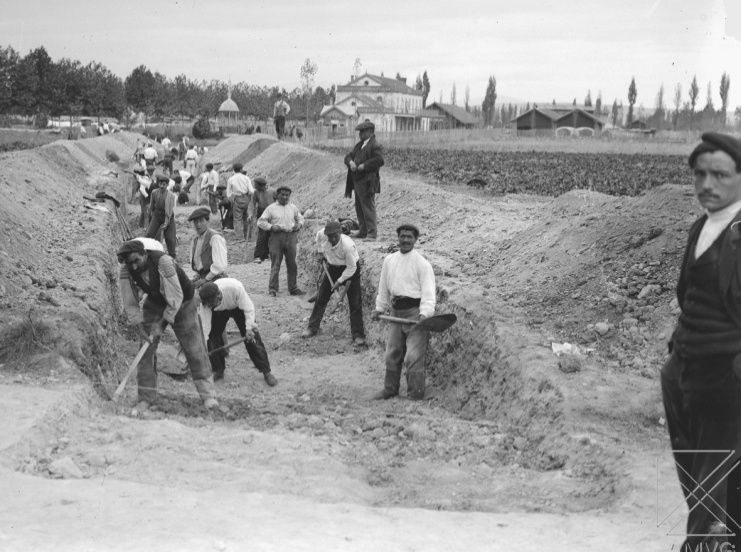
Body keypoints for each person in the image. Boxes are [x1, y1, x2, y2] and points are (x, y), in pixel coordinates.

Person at [661, 133, 741, 550]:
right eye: (699, 174)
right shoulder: (703, 227)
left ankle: (702, 544)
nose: (707, 184)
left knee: (712, 474)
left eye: (720, 175)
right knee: (699, 471)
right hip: (686, 368)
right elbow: (684, 293)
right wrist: (676, 358)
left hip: (725, 374)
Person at [117, 240, 219, 411]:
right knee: (145, 351)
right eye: (130, 263)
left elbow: (175, 298)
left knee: (195, 350)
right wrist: (142, 329)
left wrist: (160, 325)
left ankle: (208, 396)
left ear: (144, 254)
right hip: (156, 302)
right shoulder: (126, 271)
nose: (134, 266)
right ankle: (145, 397)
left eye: (137, 261)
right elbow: (131, 304)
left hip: (184, 302)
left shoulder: (163, 262)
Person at [371, 224, 435, 400]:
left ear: (415, 239)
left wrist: (425, 314)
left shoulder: (423, 264)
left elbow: (429, 293)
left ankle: (415, 394)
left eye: (409, 237)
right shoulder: (389, 261)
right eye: (402, 236)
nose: (405, 240)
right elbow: (383, 288)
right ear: (397, 238)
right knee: (392, 352)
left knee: (413, 356)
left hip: (415, 313)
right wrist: (379, 308)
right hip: (395, 313)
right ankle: (390, 389)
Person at [198, 280, 277, 386]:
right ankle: (218, 370)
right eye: (208, 305)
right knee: (213, 336)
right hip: (219, 312)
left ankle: (266, 371)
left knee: (253, 339)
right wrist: (205, 345)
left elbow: (249, 308)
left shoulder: (234, 289)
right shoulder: (206, 303)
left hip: (238, 307)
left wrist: (249, 329)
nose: (209, 306)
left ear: (218, 296)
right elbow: (206, 325)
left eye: (212, 304)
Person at [302, 220, 366, 345]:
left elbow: (351, 268)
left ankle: (358, 334)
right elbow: (318, 238)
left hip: (350, 270)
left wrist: (339, 281)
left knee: (355, 303)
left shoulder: (348, 246)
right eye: (330, 236)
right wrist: (320, 253)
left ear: (340, 233)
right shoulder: (323, 234)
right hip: (332, 267)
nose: (332, 238)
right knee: (321, 298)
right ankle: (312, 328)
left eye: (335, 236)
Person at [257, 186, 304, 297]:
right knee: (276, 263)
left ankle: (293, 288)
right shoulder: (271, 208)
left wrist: (299, 225)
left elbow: (301, 218)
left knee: (292, 263)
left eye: (287, 195)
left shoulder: (293, 207)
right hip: (277, 237)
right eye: (282, 194)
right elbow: (260, 221)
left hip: (291, 236)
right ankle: (273, 289)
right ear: (277, 195)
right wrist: (271, 227)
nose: (284, 197)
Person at [344, 120, 384, 241]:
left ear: (371, 132)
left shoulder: (374, 145)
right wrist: (350, 162)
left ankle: (372, 233)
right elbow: (348, 156)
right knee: (359, 207)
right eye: (360, 131)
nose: (360, 134)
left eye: (363, 131)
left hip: (368, 180)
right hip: (357, 180)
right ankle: (363, 230)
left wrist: (364, 166)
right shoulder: (360, 145)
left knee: (368, 207)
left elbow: (379, 160)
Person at [188, 207, 228, 290]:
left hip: (217, 279)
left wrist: (205, 280)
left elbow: (219, 266)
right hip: (203, 278)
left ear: (208, 222)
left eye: (201, 221)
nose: (198, 224)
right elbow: (199, 264)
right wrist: (197, 276)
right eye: (196, 221)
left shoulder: (215, 238)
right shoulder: (195, 240)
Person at [146, 174, 177, 258]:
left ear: (167, 185)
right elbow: (152, 206)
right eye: (160, 184)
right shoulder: (154, 192)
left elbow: (169, 212)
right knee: (149, 234)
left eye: (164, 184)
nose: (162, 186)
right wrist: (151, 216)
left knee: (170, 238)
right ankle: (147, 253)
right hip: (157, 215)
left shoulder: (171, 196)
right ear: (158, 184)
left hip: (168, 217)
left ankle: (172, 256)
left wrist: (166, 223)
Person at [226, 163, 255, 257]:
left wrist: (232, 201)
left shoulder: (231, 179)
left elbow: (228, 193)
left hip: (237, 198)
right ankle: (248, 236)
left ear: (233, 169)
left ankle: (239, 237)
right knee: (247, 217)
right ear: (242, 169)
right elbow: (251, 190)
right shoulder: (246, 178)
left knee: (237, 218)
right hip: (246, 198)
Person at [251, 177, 276, 263]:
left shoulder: (273, 191)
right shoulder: (256, 192)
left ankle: (265, 255)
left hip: (271, 213)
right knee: (262, 235)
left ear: (261, 186)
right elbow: (253, 204)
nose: (254, 187)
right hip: (261, 213)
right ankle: (257, 256)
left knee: (269, 235)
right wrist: (250, 214)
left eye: (256, 185)